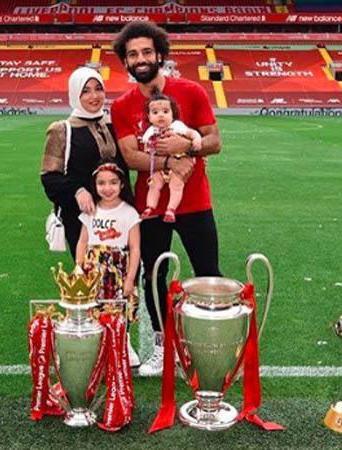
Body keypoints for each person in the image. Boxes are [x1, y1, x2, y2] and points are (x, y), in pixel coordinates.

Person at [111, 21, 223, 376]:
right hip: (150, 207)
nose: (140, 59)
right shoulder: (122, 106)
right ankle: (163, 347)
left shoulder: (191, 91)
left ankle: (212, 343)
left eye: (146, 52)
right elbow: (130, 157)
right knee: (153, 277)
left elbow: (214, 141)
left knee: (208, 272)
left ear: (159, 54)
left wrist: (188, 145)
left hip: (195, 202)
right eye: (133, 55)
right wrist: (172, 160)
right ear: (126, 62)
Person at [40, 66, 132, 258]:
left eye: (98, 89)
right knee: (91, 271)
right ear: (75, 94)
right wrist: (78, 191)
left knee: (124, 270)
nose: (94, 96)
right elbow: (50, 178)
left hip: (119, 215)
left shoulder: (112, 124)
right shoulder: (62, 130)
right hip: (83, 220)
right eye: (86, 91)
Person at [75, 161, 142, 367]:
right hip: (93, 269)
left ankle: (123, 341)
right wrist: (78, 267)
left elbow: (135, 248)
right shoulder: (91, 211)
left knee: (120, 307)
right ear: (94, 185)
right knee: (95, 306)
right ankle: (98, 344)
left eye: (113, 182)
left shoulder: (129, 212)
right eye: (101, 183)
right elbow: (82, 241)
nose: (107, 188)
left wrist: (130, 278)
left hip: (118, 270)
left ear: (122, 184)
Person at [140, 91, 202, 223]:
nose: (160, 115)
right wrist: (150, 149)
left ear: (173, 113)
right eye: (155, 112)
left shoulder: (177, 126)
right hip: (160, 166)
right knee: (154, 184)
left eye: (165, 111)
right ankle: (150, 207)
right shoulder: (150, 131)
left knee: (176, 185)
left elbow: (192, 133)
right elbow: (146, 148)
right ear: (149, 117)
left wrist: (196, 140)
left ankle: (171, 209)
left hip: (179, 162)